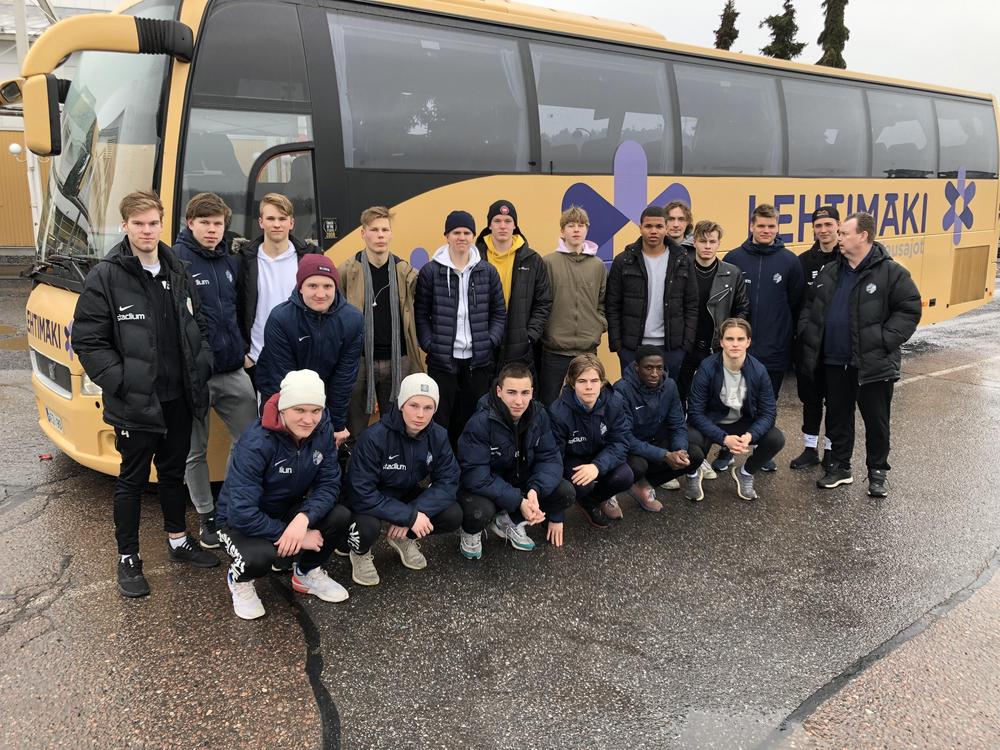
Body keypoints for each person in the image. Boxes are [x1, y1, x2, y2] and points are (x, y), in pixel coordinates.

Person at [72, 190, 218, 598]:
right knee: (132, 481)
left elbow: (198, 324)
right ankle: (128, 558)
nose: (147, 231)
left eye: (153, 223)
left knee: (172, 474)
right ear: (125, 226)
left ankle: (178, 540)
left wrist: (202, 362)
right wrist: (122, 382)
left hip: (179, 398)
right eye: (138, 224)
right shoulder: (106, 276)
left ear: (162, 224)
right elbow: (88, 341)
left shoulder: (177, 268)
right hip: (135, 402)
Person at [799, 213, 921, 498]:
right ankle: (840, 467)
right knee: (838, 418)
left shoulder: (891, 272)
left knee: (876, 421)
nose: (838, 237)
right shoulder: (831, 271)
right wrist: (807, 331)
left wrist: (884, 341)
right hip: (834, 361)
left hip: (872, 363)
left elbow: (909, 309)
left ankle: (877, 473)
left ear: (863, 236)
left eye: (844, 233)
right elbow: (810, 306)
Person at [215, 370, 353, 620]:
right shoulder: (256, 441)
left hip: (289, 509)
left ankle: (306, 573)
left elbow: (330, 484)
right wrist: (291, 535)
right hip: (238, 520)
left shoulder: (323, 429)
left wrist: (303, 519)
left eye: (315, 410)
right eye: (299, 410)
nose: (308, 419)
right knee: (259, 557)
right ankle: (239, 580)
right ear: (283, 408)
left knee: (340, 515)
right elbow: (241, 512)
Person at [172, 192, 259, 549]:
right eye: (205, 223)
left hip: (232, 368)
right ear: (190, 223)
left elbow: (240, 309)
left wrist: (243, 349)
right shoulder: (175, 261)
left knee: (250, 439)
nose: (212, 230)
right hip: (195, 375)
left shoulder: (230, 261)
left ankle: (232, 504)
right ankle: (206, 515)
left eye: (218, 223)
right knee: (196, 450)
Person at [342, 374, 463, 584]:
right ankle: (359, 552)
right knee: (367, 529)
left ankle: (403, 538)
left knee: (452, 514)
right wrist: (409, 516)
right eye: (413, 405)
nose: (420, 415)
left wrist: (414, 513)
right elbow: (361, 492)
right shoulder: (374, 437)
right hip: (370, 498)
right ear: (401, 404)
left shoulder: (438, 435)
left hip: (404, 491)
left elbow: (449, 481)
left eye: (428, 408)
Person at [457, 363, 575, 555]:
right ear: (499, 391)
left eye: (524, 393)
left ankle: (509, 521)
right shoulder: (480, 423)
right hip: (486, 487)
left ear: (532, 392)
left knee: (564, 491)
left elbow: (550, 458)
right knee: (480, 512)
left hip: (519, 480)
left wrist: (535, 490)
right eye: (511, 392)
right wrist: (519, 501)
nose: (519, 401)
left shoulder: (539, 415)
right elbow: (475, 476)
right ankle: (470, 531)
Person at [719, 203, 803, 473]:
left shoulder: (790, 261)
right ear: (751, 226)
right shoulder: (734, 258)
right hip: (737, 349)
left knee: (768, 402)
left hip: (774, 348)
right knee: (731, 399)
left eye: (771, 226)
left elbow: (795, 303)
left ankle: (763, 451)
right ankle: (726, 450)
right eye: (761, 226)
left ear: (777, 228)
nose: (766, 230)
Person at [415, 210, 506, 446]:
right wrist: (431, 345)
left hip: (478, 362)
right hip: (443, 361)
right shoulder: (430, 272)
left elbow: (499, 314)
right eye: (456, 232)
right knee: (441, 420)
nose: (462, 237)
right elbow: (421, 315)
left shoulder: (487, 271)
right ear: (447, 235)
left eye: (467, 232)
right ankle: (443, 463)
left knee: (475, 420)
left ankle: (471, 464)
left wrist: (489, 342)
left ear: (473, 236)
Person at [256, 255, 364, 449]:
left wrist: (335, 425)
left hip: (325, 398)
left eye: (327, 286)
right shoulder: (280, 318)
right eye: (313, 286)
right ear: (300, 287)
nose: (321, 294)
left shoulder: (353, 319)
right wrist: (298, 422)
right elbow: (281, 377)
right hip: (281, 395)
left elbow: (344, 378)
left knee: (322, 452)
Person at [339, 206, 422, 444]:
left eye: (385, 230)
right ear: (363, 233)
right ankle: (355, 463)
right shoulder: (347, 270)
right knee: (355, 426)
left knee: (395, 424)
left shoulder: (404, 271)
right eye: (374, 230)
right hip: (359, 359)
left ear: (391, 234)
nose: (380, 235)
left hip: (398, 359)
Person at [687, 318, 785, 502]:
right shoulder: (707, 367)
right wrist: (724, 439)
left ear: (748, 342)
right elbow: (695, 413)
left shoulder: (759, 370)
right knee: (689, 437)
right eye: (729, 339)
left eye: (740, 339)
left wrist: (750, 435)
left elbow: (768, 413)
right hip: (713, 421)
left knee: (776, 438)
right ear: (721, 341)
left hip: (744, 422)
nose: (735, 344)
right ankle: (693, 472)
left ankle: (745, 473)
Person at [236, 192, 320, 391]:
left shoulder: (310, 259)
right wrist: (244, 355)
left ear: (291, 223)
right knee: (265, 412)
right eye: (271, 218)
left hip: (302, 359)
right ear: (261, 222)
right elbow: (234, 308)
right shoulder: (243, 260)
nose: (276, 224)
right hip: (258, 360)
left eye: (282, 219)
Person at [606, 204, 698, 381]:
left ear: (666, 228)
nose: (654, 231)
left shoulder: (682, 260)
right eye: (648, 226)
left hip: (671, 348)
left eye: (659, 226)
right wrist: (619, 346)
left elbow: (691, 304)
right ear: (640, 228)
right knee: (631, 396)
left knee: (667, 396)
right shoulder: (623, 261)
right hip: (632, 348)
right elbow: (613, 305)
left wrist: (685, 345)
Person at [614, 346, 706, 509]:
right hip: (631, 448)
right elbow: (625, 437)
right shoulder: (621, 390)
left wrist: (680, 450)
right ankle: (624, 487)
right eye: (648, 368)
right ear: (637, 367)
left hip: (656, 440)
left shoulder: (669, 385)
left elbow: (678, 424)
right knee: (638, 467)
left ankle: (645, 486)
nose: (655, 374)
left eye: (659, 368)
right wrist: (664, 455)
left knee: (694, 455)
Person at [548, 354, 634, 528]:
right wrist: (556, 515)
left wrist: (597, 466)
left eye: (594, 381)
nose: (589, 387)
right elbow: (553, 458)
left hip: (600, 455)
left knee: (625, 476)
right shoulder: (558, 412)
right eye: (582, 381)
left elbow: (620, 442)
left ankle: (591, 501)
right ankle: (576, 498)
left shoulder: (614, 402)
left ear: (602, 382)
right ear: (572, 383)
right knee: (581, 484)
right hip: (572, 460)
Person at [538, 205, 607, 407]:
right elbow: (540, 302)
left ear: (587, 229)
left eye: (581, 225)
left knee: (587, 402)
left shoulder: (597, 265)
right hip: (555, 350)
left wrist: (599, 325)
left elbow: (603, 301)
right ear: (562, 231)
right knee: (550, 403)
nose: (576, 229)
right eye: (570, 225)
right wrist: (547, 330)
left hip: (587, 350)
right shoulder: (548, 262)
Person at [790, 206, 841, 470]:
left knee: (835, 401)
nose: (823, 230)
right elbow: (797, 302)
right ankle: (810, 449)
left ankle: (832, 451)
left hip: (837, 345)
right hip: (809, 345)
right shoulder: (804, 261)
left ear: (838, 226)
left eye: (828, 224)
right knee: (810, 399)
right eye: (818, 226)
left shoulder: (847, 259)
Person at [475, 199, 551, 370]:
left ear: (515, 225)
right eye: (497, 221)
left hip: (519, 344)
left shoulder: (532, 260)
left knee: (516, 387)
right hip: (482, 341)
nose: (503, 226)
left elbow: (544, 302)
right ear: (489, 225)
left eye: (508, 221)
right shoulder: (474, 257)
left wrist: (529, 336)